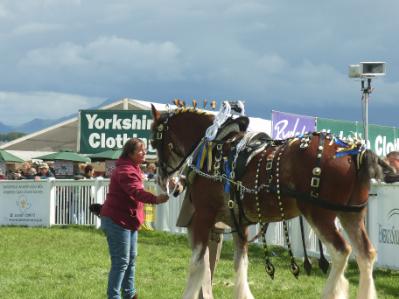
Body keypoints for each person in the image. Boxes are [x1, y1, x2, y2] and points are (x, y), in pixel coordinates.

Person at [100, 138, 169, 299]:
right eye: (140, 150)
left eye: (144, 149)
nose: (144, 152)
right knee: (121, 262)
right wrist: (156, 199)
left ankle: (129, 294)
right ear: (130, 153)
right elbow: (136, 192)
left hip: (127, 221)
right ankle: (114, 296)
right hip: (117, 221)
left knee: (130, 260)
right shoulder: (126, 171)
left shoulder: (133, 167)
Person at [174, 176, 225, 299]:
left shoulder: (224, 159)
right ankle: (206, 296)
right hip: (195, 216)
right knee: (202, 260)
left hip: (217, 218)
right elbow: (184, 176)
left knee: (212, 263)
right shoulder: (195, 157)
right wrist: (178, 185)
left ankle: (200, 295)